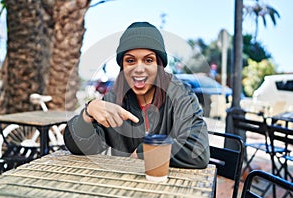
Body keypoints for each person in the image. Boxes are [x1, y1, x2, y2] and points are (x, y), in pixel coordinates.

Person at [64, 22, 210, 169]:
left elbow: (197, 152)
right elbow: (80, 146)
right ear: (123, 66)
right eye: (130, 60)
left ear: (159, 65)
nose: (139, 69)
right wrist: (87, 114)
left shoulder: (181, 95)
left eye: (148, 60)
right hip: (125, 186)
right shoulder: (114, 99)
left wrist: (143, 152)